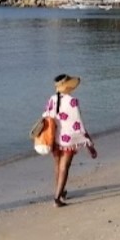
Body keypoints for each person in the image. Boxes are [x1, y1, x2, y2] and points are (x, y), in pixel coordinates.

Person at [42, 74, 97, 207]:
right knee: (64, 167)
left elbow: (47, 116)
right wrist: (89, 143)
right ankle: (57, 198)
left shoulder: (52, 99)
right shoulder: (72, 101)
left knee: (58, 166)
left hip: (55, 138)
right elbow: (78, 124)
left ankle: (60, 192)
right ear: (68, 86)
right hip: (68, 139)